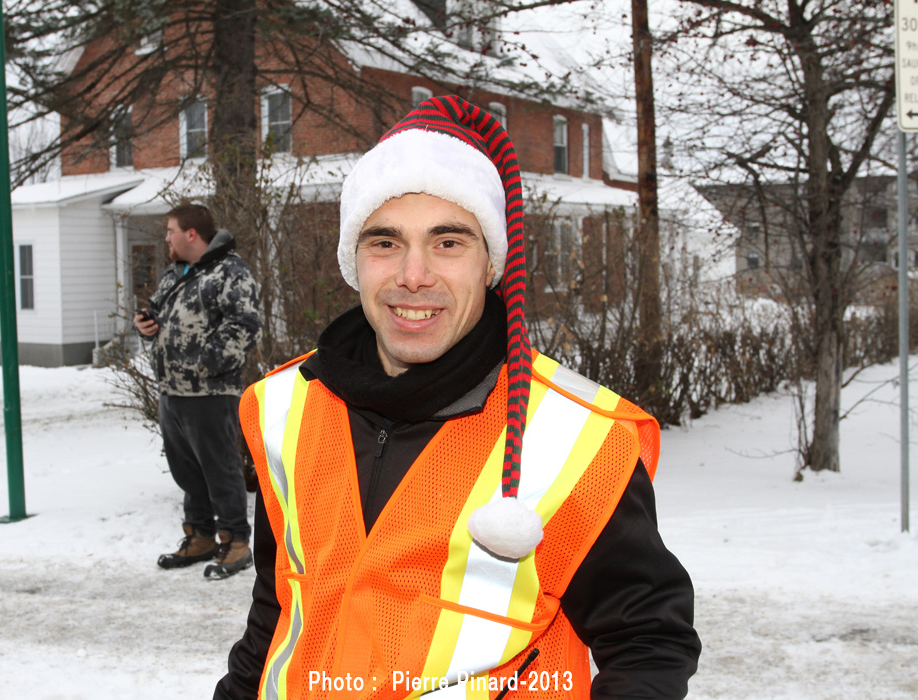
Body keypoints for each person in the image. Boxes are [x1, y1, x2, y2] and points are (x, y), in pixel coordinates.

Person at [216, 96, 700, 698]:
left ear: (491, 264)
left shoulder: (575, 436)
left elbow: (649, 642)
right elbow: (276, 609)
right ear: (352, 261)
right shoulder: (281, 407)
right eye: (384, 243)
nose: (413, 275)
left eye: (448, 243)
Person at [134, 203, 261, 581]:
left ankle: (236, 541)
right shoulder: (176, 273)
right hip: (171, 391)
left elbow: (245, 326)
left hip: (210, 391)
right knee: (188, 471)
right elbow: (157, 312)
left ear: (191, 234)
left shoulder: (230, 272)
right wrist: (147, 323)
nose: (167, 238)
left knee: (220, 469)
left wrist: (202, 362)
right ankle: (201, 535)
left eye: (171, 231)